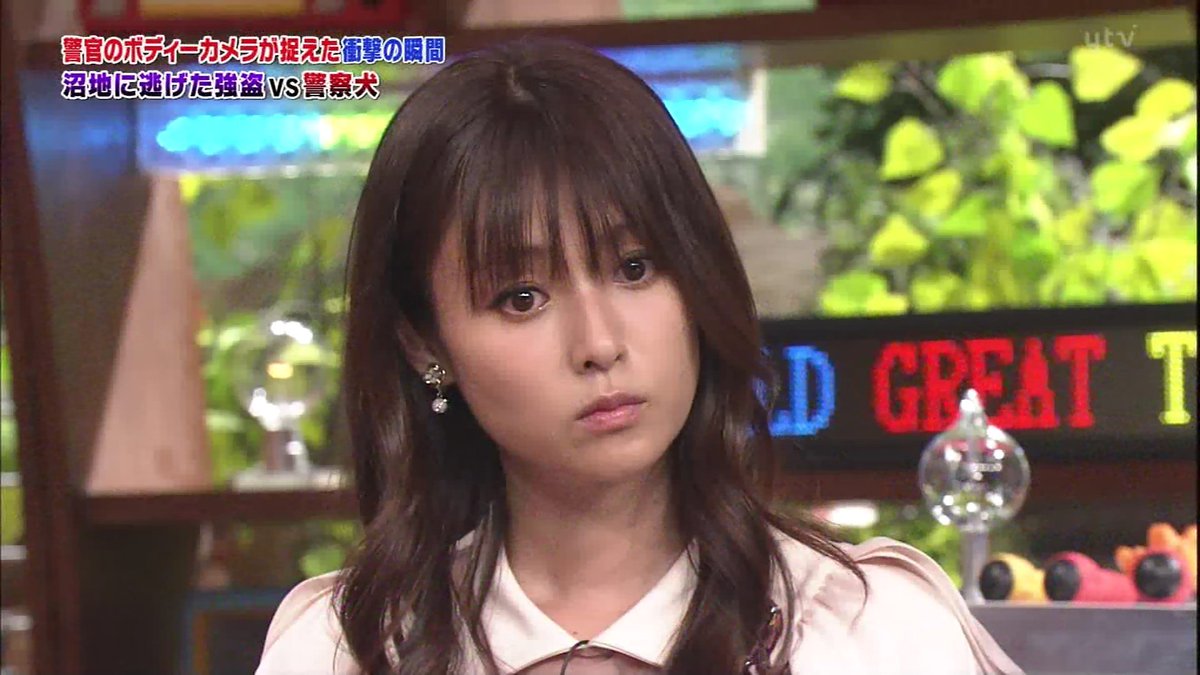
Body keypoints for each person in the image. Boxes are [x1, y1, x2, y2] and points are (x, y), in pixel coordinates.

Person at [255, 38, 1022, 675]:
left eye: (634, 267)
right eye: (521, 297)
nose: (599, 344)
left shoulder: (866, 632)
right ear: (425, 342)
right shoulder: (343, 649)